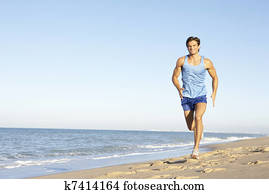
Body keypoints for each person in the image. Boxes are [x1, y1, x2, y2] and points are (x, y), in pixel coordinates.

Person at [172, 36, 218, 159]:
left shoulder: (206, 62)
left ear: (198, 46)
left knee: (198, 117)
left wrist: (214, 93)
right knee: (191, 127)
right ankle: (199, 131)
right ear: (187, 47)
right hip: (186, 96)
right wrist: (179, 88)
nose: (191, 48)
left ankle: (196, 149)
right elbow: (174, 77)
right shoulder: (181, 60)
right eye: (189, 46)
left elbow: (215, 77)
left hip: (200, 96)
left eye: (194, 46)